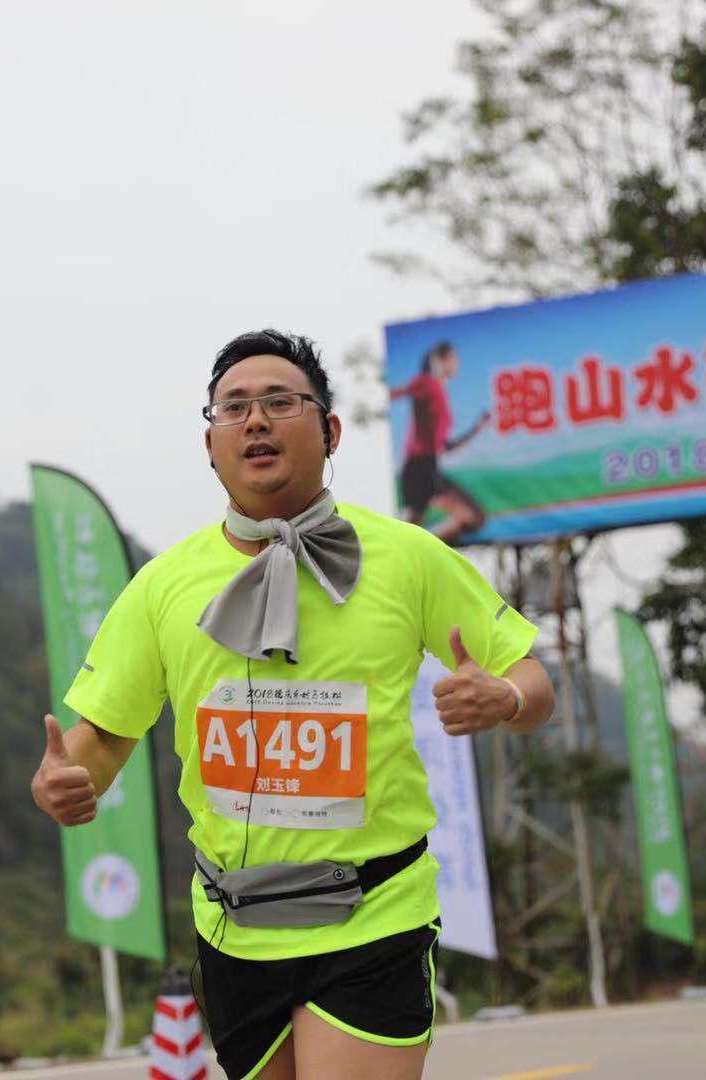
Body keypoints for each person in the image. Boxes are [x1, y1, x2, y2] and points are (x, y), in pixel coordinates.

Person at [30, 330, 553, 1080]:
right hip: (233, 926)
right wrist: (64, 783)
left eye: (281, 402)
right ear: (210, 444)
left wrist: (504, 697)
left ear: (330, 430)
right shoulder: (161, 584)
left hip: (373, 915)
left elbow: (535, 684)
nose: (255, 421)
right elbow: (102, 739)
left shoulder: (408, 557)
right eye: (233, 408)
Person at [390, 341, 491, 544]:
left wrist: (478, 429)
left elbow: (446, 447)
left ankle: (419, 549)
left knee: (411, 533)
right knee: (473, 517)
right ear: (439, 361)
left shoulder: (440, 393)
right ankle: (422, 549)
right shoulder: (426, 383)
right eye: (453, 359)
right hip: (419, 467)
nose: (457, 364)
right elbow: (395, 393)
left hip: (427, 466)